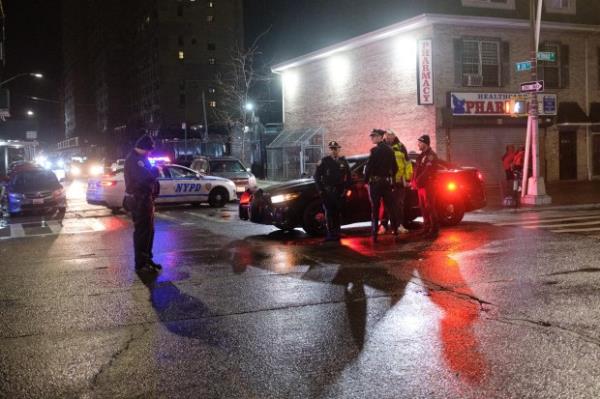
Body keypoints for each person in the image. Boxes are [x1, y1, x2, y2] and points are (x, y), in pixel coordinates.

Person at [124, 133, 162, 271]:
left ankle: (147, 258)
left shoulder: (141, 158)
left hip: (146, 199)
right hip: (139, 200)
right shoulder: (134, 160)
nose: (150, 153)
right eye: (149, 150)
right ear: (143, 147)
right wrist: (156, 171)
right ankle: (141, 263)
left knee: (149, 231)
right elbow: (143, 178)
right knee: (142, 232)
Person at [314, 141, 352, 242]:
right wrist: (321, 191)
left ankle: (337, 232)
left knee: (337, 212)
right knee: (329, 213)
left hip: (340, 191)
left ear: (339, 149)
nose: (333, 150)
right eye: (331, 149)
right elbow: (316, 177)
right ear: (329, 150)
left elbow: (349, 176)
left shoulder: (343, 161)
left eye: (335, 148)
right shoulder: (324, 161)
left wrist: (346, 189)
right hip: (328, 192)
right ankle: (330, 233)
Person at [365, 129, 398, 242]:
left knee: (375, 208)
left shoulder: (374, 151)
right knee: (390, 207)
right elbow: (395, 168)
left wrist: (365, 181)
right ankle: (395, 230)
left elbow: (368, 167)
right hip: (386, 182)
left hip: (375, 183)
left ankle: (374, 233)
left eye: (374, 136)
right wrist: (391, 178)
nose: (372, 138)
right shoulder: (390, 150)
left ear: (380, 137)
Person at [383, 130, 413, 234]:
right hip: (386, 181)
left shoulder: (401, 147)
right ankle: (384, 226)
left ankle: (400, 225)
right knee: (386, 205)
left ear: (394, 136)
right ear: (385, 137)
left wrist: (408, 179)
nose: (389, 138)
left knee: (399, 204)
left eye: (391, 136)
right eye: (387, 136)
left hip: (399, 181)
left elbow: (408, 164)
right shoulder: (382, 147)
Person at [412, 134, 439, 238]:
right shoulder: (422, 155)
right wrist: (414, 181)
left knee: (430, 207)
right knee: (423, 207)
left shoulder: (431, 156)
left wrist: (417, 181)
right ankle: (426, 228)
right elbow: (417, 170)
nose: (418, 144)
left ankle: (434, 230)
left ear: (425, 143)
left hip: (429, 185)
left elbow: (427, 172)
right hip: (421, 186)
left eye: (420, 142)